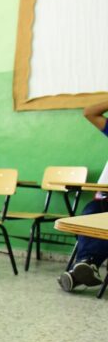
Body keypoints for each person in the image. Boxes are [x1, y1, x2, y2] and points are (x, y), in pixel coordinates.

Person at [59, 98, 108, 293]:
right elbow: (89, 112)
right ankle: (85, 266)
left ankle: (82, 267)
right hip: (104, 198)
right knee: (90, 213)